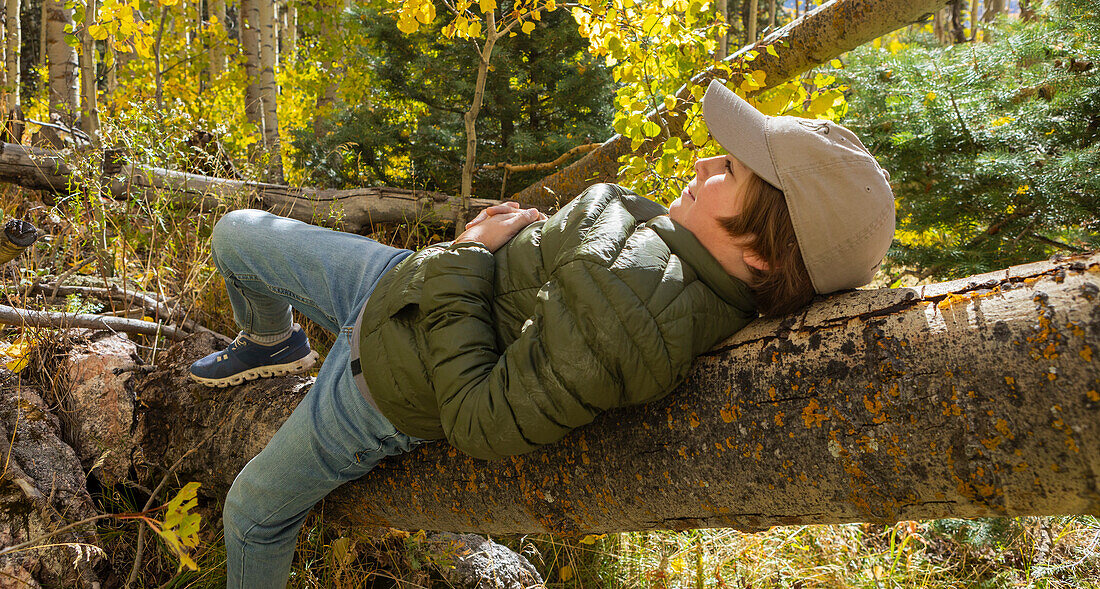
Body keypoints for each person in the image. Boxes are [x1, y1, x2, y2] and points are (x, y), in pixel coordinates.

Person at [189, 79, 895, 588]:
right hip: (404, 285)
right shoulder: (679, 252)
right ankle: (273, 344)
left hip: (380, 385)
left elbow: (476, 415)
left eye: (731, 170)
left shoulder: (634, 315)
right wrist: (468, 256)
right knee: (236, 234)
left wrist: (468, 251)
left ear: (764, 252)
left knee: (252, 513)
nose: (706, 162)